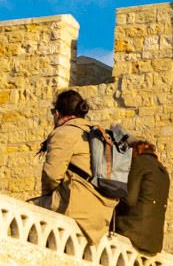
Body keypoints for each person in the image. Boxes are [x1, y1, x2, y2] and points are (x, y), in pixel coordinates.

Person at [37, 90, 118, 242]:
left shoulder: (64, 132)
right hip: (103, 212)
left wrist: (47, 197)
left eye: (53, 112)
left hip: (77, 206)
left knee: (29, 208)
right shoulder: (96, 133)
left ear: (58, 113)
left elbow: (51, 175)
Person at [113, 138, 169, 256]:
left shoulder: (138, 162)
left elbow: (129, 199)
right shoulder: (163, 172)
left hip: (132, 232)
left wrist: (113, 205)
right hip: (153, 242)